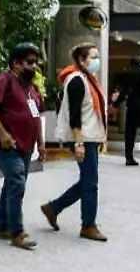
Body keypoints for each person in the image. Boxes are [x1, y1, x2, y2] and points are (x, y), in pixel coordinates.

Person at [41, 43, 108, 243]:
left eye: (97, 57)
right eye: (93, 57)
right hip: (82, 138)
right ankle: (88, 225)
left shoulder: (88, 79)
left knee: (87, 181)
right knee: (90, 183)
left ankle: (53, 208)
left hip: (90, 137)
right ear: (81, 60)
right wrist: (79, 143)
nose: (97, 61)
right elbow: (75, 115)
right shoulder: (77, 80)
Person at [0, 42, 45, 251]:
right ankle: (17, 232)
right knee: (17, 182)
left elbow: (36, 117)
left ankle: (1, 227)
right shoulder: (3, 81)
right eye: (29, 62)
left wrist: (41, 144)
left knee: (12, 184)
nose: (33, 66)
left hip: (27, 146)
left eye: (35, 62)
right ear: (16, 63)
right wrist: (2, 133)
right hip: (8, 144)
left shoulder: (32, 89)